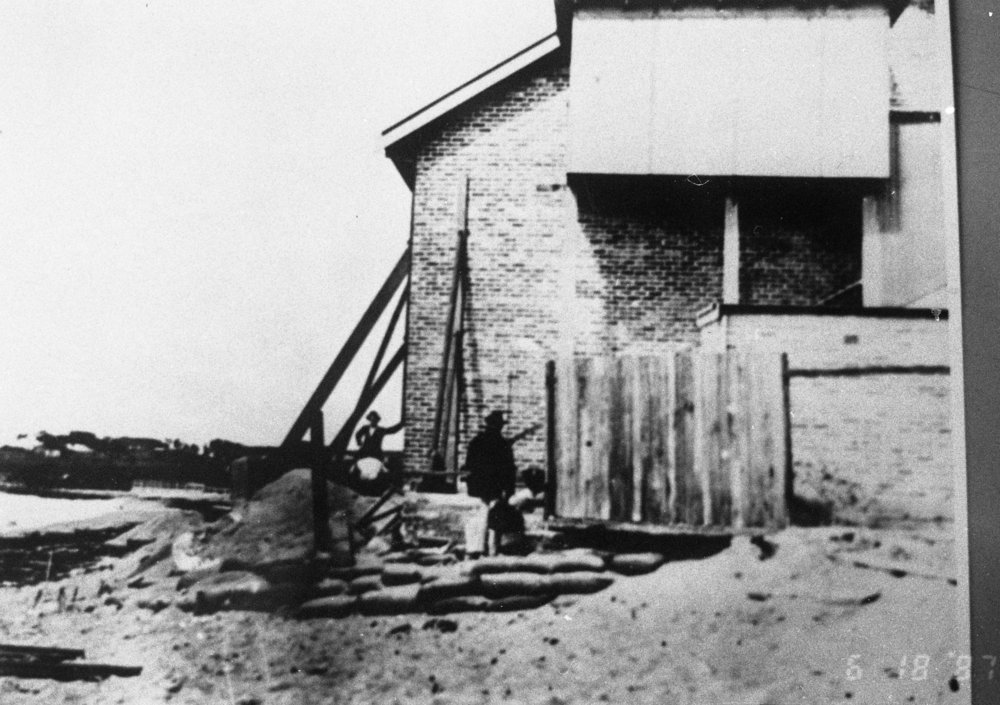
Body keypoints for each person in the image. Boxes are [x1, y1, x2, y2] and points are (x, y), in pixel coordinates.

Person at [464, 410, 524, 555]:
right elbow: (509, 470)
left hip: (478, 487)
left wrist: (471, 485)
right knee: (494, 519)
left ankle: (477, 549)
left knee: (482, 516)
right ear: (499, 426)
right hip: (495, 488)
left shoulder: (476, 442)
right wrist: (509, 492)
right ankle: (491, 550)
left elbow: (468, 466)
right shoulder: (503, 444)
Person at [349, 411, 403, 494]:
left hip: (376, 452)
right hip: (364, 451)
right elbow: (357, 434)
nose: (373, 421)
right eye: (371, 419)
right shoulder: (365, 428)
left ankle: (378, 486)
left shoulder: (381, 430)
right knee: (355, 465)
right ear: (369, 420)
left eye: (375, 420)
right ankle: (355, 483)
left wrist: (402, 424)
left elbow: (392, 430)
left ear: (377, 421)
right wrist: (359, 441)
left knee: (381, 468)